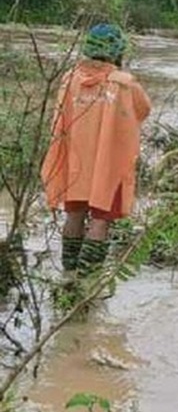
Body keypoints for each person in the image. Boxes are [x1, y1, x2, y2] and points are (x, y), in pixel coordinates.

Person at [41, 23, 151, 276]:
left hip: (73, 165)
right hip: (108, 167)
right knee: (101, 219)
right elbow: (143, 110)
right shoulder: (124, 83)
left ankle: (68, 274)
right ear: (117, 50)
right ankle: (87, 280)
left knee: (74, 215)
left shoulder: (70, 79)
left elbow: (58, 118)